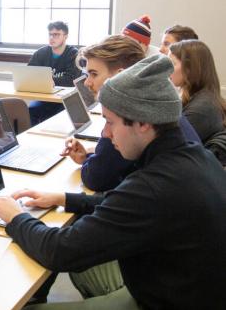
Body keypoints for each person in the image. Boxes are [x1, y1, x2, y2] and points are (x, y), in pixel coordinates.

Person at [0, 54, 226, 310]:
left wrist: (16, 217)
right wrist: (64, 200)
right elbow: (122, 207)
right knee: (86, 252)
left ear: (143, 123)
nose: (107, 136)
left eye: (112, 124)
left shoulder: (157, 185)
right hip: (190, 305)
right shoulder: (185, 155)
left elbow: (59, 250)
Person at [60, 35, 200, 192]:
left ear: (120, 76)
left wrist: (89, 161)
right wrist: (89, 156)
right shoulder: (160, 105)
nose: (87, 82)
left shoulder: (131, 117)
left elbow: (96, 177)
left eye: (94, 74)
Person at [169, 39, 226, 143]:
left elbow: (170, 145)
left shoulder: (203, 108)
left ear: (189, 68)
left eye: (172, 64)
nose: (167, 69)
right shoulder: (199, 97)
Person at [26, 21, 83, 124]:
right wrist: (50, 81)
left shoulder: (73, 54)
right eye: (50, 34)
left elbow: (71, 80)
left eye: (56, 34)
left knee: (60, 117)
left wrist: (47, 80)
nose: (52, 38)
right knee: (30, 110)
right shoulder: (41, 53)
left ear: (65, 36)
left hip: (65, 100)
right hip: (45, 98)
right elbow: (29, 74)